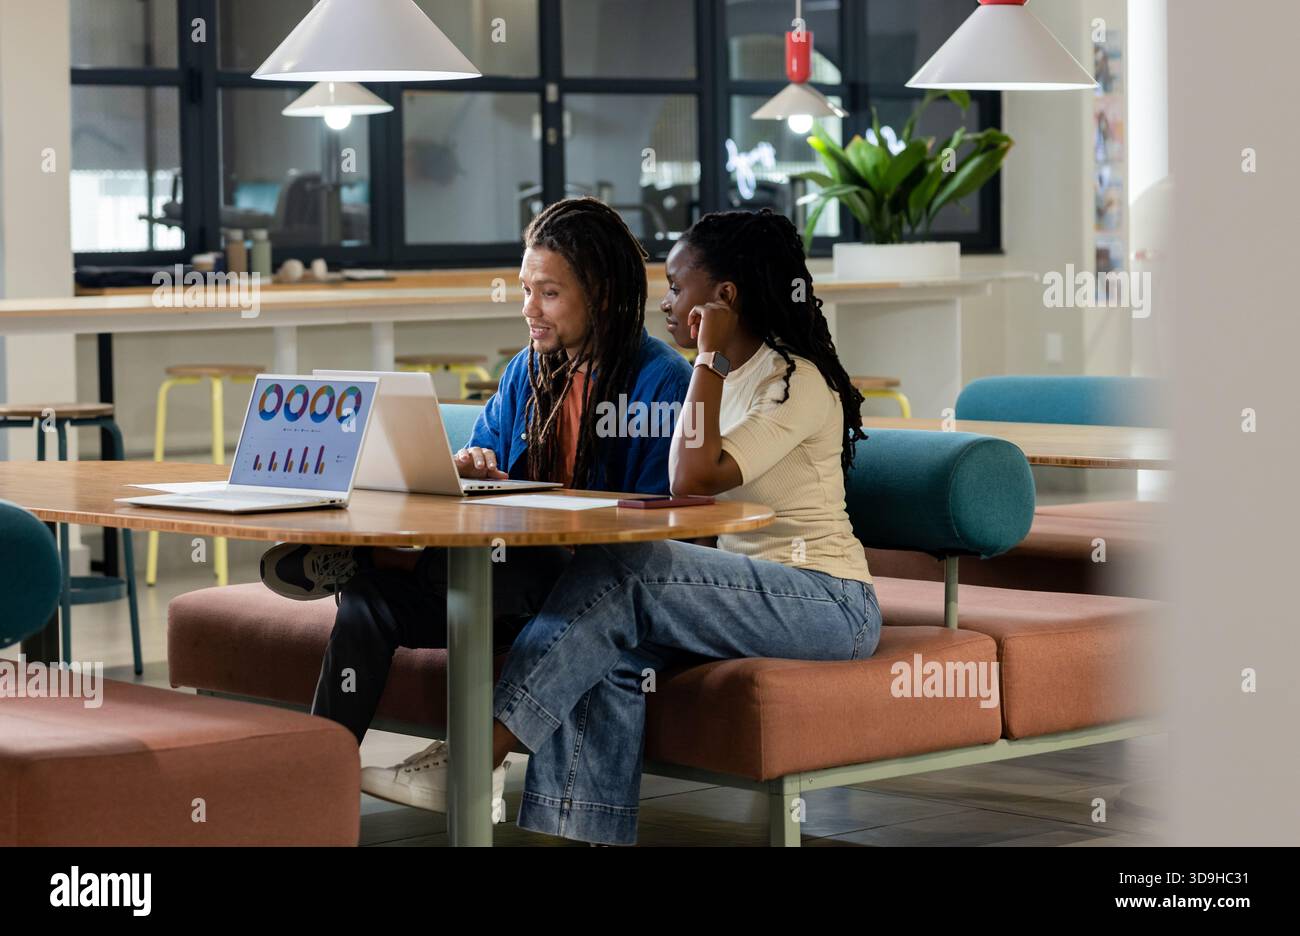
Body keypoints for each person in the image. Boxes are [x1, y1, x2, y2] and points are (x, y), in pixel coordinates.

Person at [419, 207, 882, 844]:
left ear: (724, 298)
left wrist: (709, 358)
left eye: (676, 286)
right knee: (603, 657)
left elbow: (691, 477)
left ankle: (472, 759)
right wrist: (710, 365)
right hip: (734, 594)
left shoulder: (790, 381)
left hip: (826, 601)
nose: (661, 302)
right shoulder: (711, 378)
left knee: (626, 565)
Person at [257, 197, 692, 817]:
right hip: (500, 575)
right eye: (523, 289)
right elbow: (484, 460)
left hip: (585, 590)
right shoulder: (527, 374)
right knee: (367, 604)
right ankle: (315, 780)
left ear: (599, 294)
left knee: (486, 568)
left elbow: (654, 527)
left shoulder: (659, 383)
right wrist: (470, 469)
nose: (528, 309)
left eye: (548, 293)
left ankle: (374, 557)